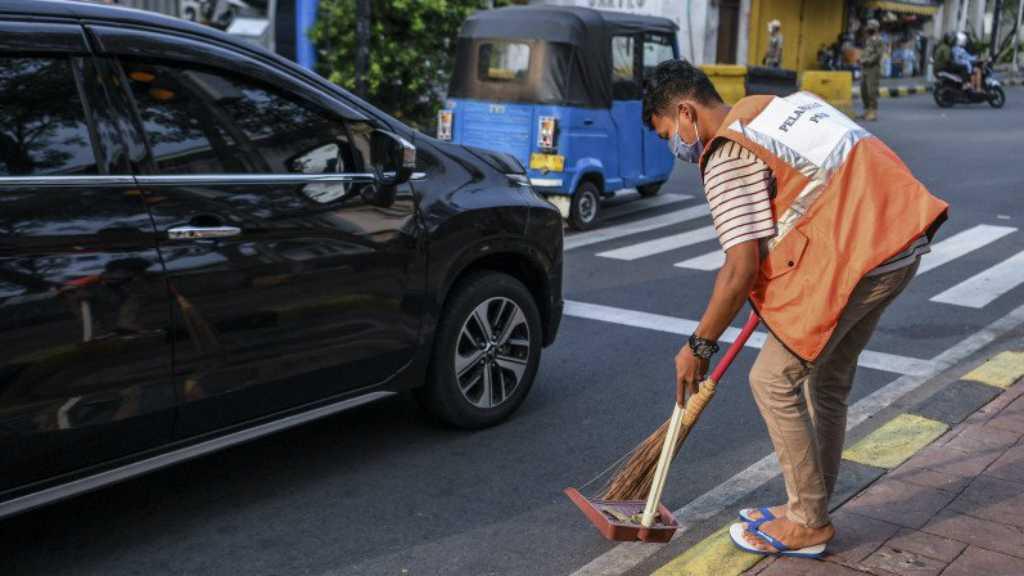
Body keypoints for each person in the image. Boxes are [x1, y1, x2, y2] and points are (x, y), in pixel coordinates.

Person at [641, 59, 947, 558]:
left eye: (668, 132)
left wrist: (699, 345)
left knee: (771, 380)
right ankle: (811, 506)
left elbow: (739, 268)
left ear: (685, 112)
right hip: (899, 238)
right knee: (826, 381)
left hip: (864, 253)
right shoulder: (771, 108)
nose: (677, 145)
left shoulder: (725, 154)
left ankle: (808, 520)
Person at [859, 19, 883, 121]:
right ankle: (866, 111)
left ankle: (872, 112)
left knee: (871, 91)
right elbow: (866, 52)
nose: (869, 28)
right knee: (863, 89)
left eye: (871, 26)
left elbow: (878, 55)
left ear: (875, 28)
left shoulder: (878, 40)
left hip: (873, 68)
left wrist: (867, 60)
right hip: (864, 68)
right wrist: (861, 59)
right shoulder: (868, 39)